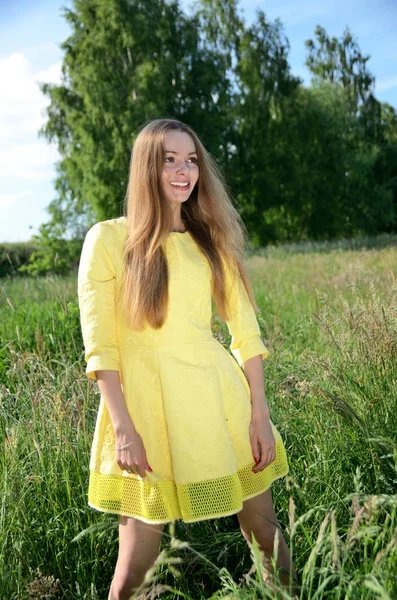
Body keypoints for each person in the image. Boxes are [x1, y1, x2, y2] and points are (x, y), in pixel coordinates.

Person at [77, 118, 297, 599]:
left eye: (191, 160)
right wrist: (124, 428)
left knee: (264, 534)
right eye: (169, 160)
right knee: (136, 565)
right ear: (146, 168)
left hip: (220, 404)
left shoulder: (209, 239)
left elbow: (245, 332)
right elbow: (101, 348)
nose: (184, 171)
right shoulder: (108, 240)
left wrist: (260, 413)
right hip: (146, 414)